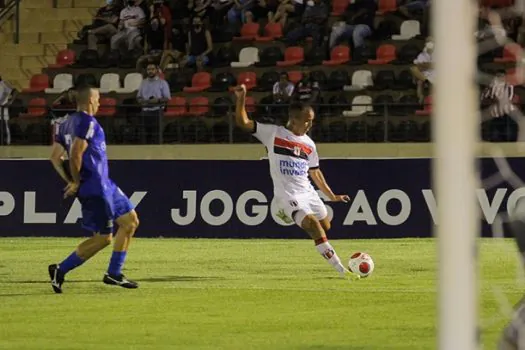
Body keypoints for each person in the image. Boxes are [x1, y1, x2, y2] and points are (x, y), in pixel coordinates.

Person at [233, 84, 360, 281]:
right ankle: (342, 270)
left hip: (308, 192)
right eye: (307, 121)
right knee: (313, 226)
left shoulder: (309, 144)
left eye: (312, 121)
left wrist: (331, 196)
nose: (310, 125)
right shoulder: (273, 134)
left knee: (325, 225)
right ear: (294, 119)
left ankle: (289, 215)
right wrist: (241, 98)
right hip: (288, 195)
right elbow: (243, 122)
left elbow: (315, 171)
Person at [48, 86, 140, 294]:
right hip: (95, 188)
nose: (99, 103)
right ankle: (60, 269)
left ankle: (114, 274)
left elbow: (54, 157)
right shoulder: (87, 122)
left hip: (106, 184)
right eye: (98, 99)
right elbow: (75, 154)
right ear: (90, 100)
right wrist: (77, 182)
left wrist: (71, 180)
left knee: (130, 221)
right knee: (103, 238)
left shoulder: (64, 124)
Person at [136, 63, 171, 144]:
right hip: (145, 110)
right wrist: (141, 101)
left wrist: (157, 100)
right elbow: (138, 97)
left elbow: (167, 98)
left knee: (156, 136)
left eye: (152, 69)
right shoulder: (143, 83)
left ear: (156, 70)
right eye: (148, 69)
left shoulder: (163, 83)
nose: (150, 71)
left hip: (157, 111)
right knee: (144, 135)